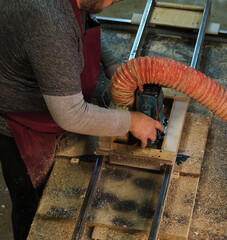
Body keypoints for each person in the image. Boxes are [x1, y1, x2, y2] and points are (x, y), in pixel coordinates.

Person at [0, 0, 164, 239]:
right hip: (23, 125)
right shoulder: (49, 24)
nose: (111, 4)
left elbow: (81, 25)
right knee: (35, 216)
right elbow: (71, 114)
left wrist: (111, 63)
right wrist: (132, 122)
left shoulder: (71, 8)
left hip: (55, 100)